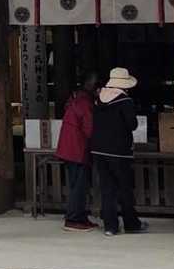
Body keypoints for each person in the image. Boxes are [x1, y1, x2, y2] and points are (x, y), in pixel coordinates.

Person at [90, 68, 143, 237]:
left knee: (107, 189)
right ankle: (131, 223)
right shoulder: (125, 101)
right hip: (119, 151)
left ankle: (110, 226)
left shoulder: (98, 99)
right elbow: (132, 124)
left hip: (99, 149)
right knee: (124, 187)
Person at [57, 72, 100, 232]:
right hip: (77, 150)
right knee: (79, 186)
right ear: (90, 85)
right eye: (96, 84)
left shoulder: (76, 100)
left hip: (69, 148)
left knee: (77, 185)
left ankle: (79, 216)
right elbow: (89, 129)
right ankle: (74, 219)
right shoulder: (84, 103)